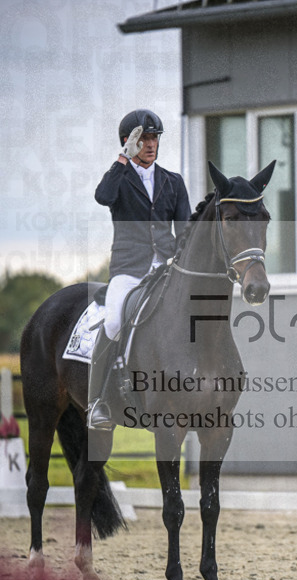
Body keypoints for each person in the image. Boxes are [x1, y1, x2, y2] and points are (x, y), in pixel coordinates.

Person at [87, 109, 192, 430]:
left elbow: (184, 229)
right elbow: (102, 196)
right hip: (129, 269)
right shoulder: (118, 180)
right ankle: (98, 402)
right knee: (116, 318)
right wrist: (122, 160)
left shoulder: (173, 182)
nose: (150, 144)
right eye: (143, 138)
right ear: (129, 142)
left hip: (166, 269)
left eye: (154, 138)